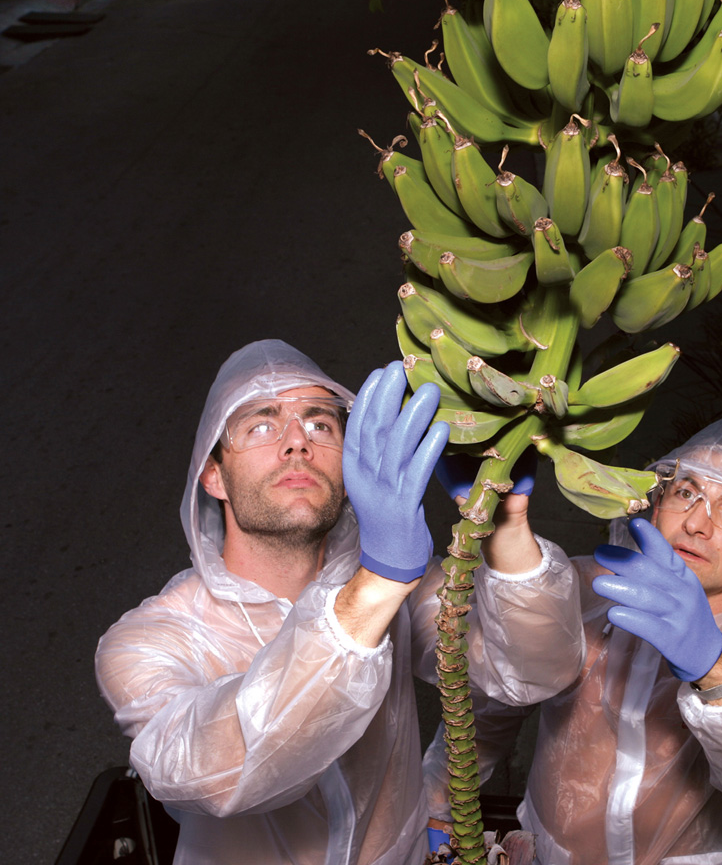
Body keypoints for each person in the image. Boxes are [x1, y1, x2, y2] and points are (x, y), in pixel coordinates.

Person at [95, 339, 585, 865]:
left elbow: (533, 672)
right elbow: (212, 775)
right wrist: (375, 586)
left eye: (320, 424)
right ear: (212, 475)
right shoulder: (149, 641)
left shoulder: (402, 594)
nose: (296, 443)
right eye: (260, 425)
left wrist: (506, 529)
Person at [423, 405, 722, 864]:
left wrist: (717, 670)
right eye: (686, 492)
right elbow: (492, 706)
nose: (696, 523)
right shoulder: (590, 590)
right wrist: (439, 804)